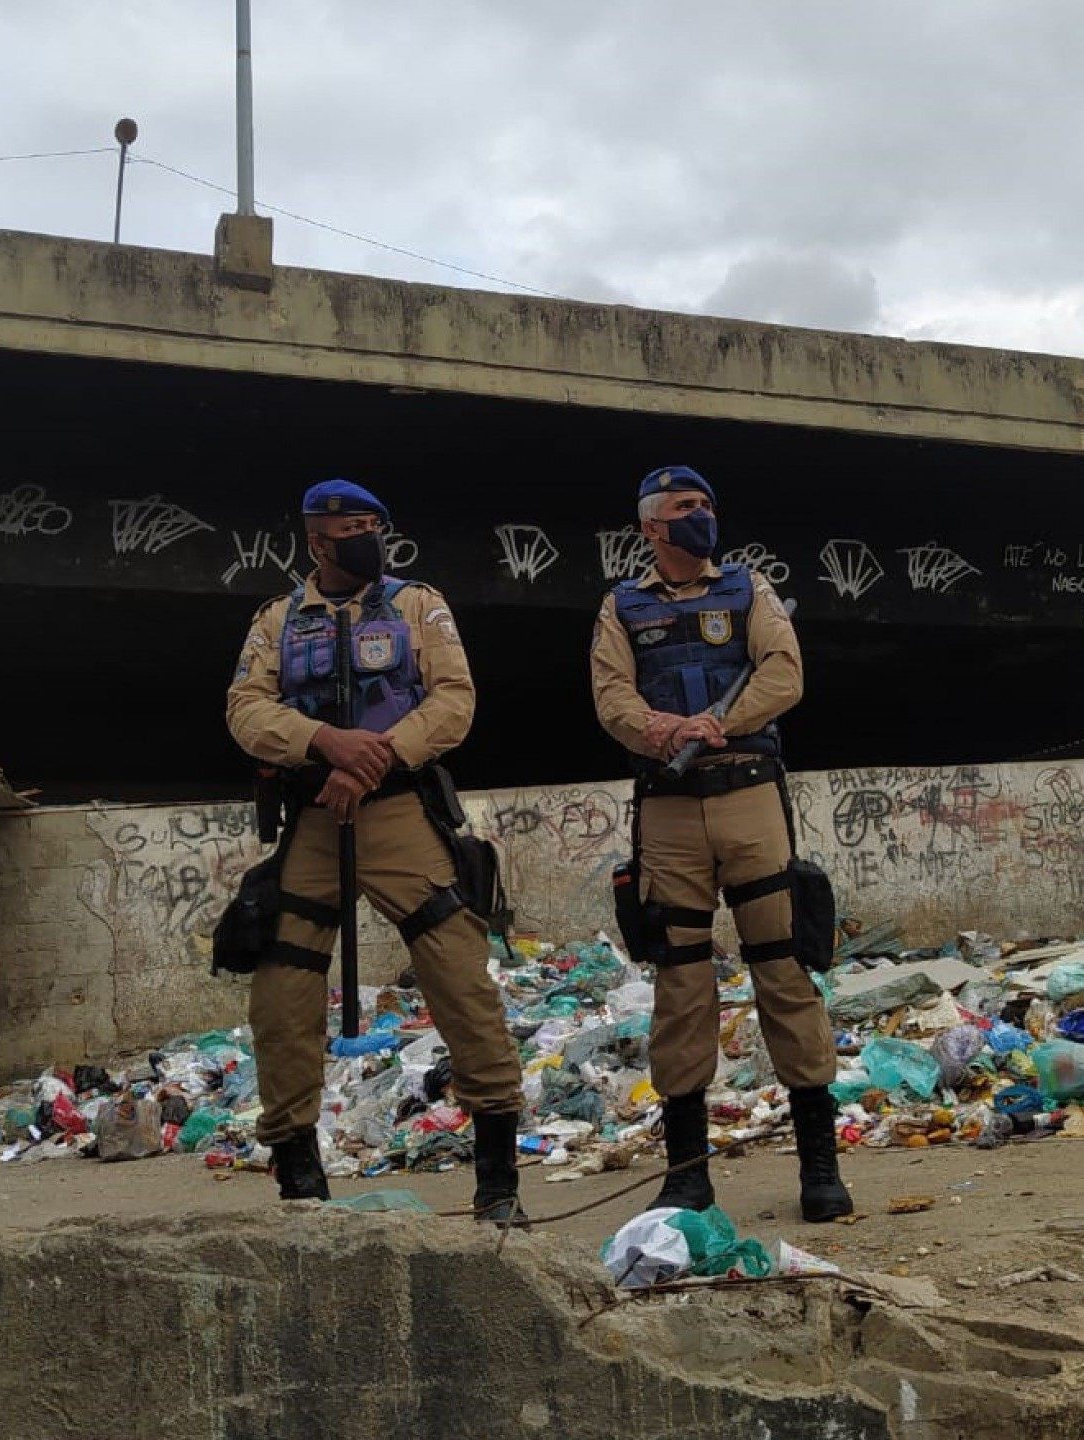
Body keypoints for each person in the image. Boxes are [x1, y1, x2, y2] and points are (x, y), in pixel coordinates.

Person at [226, 478, 524, 1222]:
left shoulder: (419, 605)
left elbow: (452, 701)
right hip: (314, 817)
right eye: (352, 527)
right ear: (317, 541)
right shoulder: (277, 620)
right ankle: (299, 1178)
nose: (369, 538)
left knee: (459, 975)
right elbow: (246, 709)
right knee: (281, 994)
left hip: (396, 810)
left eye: (374, 525)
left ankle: (498, 1185)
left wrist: (374, 760)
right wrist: (324, 742)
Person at [590, 464, 851, 1223]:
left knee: (782, 966)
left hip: (746, 795)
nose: (699, 515)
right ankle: (687, 1177)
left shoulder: (749, 590)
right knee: (679, 981)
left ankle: (819, 1169)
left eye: (705, 504)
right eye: (683, 506)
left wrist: (720, 723)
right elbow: (611, 695)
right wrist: (663, 727)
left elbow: (783, 671)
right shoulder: (622, 606)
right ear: (650, 527)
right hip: (668, 809)